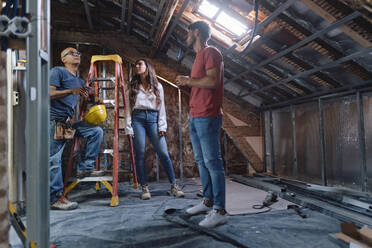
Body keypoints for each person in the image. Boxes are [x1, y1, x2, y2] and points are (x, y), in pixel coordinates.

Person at [175, 21, 227, 228]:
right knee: (202, 161)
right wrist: (188, 84)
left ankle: (220, 210)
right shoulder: (198, 57)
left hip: (208, 115)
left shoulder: (211, 52)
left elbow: (213, 82)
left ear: (196, 32)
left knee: (213, 162)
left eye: (188, 32)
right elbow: (202, 85)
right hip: (196, 115)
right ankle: (208, 201)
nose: (186, 36)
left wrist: (188, 81)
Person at [49, 47, 104, 210]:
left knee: (96, 131)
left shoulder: (80, 81)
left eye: (78, 53)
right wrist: (70, 91)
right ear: (63, 58)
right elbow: (49, 93)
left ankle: (85, 167)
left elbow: (85, 95)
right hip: (54, 121)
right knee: (53, 159)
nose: (77, 55)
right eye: (72, 53)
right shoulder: (57, 71)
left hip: (68, 123)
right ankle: (55, 198)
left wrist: (95, 98)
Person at [125, 59, 184, 200]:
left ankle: (174, 186)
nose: (137, 66)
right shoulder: (132, 86)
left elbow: (161, 107)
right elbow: (128, 108)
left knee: (163, 153)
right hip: (137, 118)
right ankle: (144, 188)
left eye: (140, 64)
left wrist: (162, 125)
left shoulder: (158, 86)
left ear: (147, 67)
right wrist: (129, 126)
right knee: (139, 153)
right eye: (136, 65)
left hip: (153, 118)